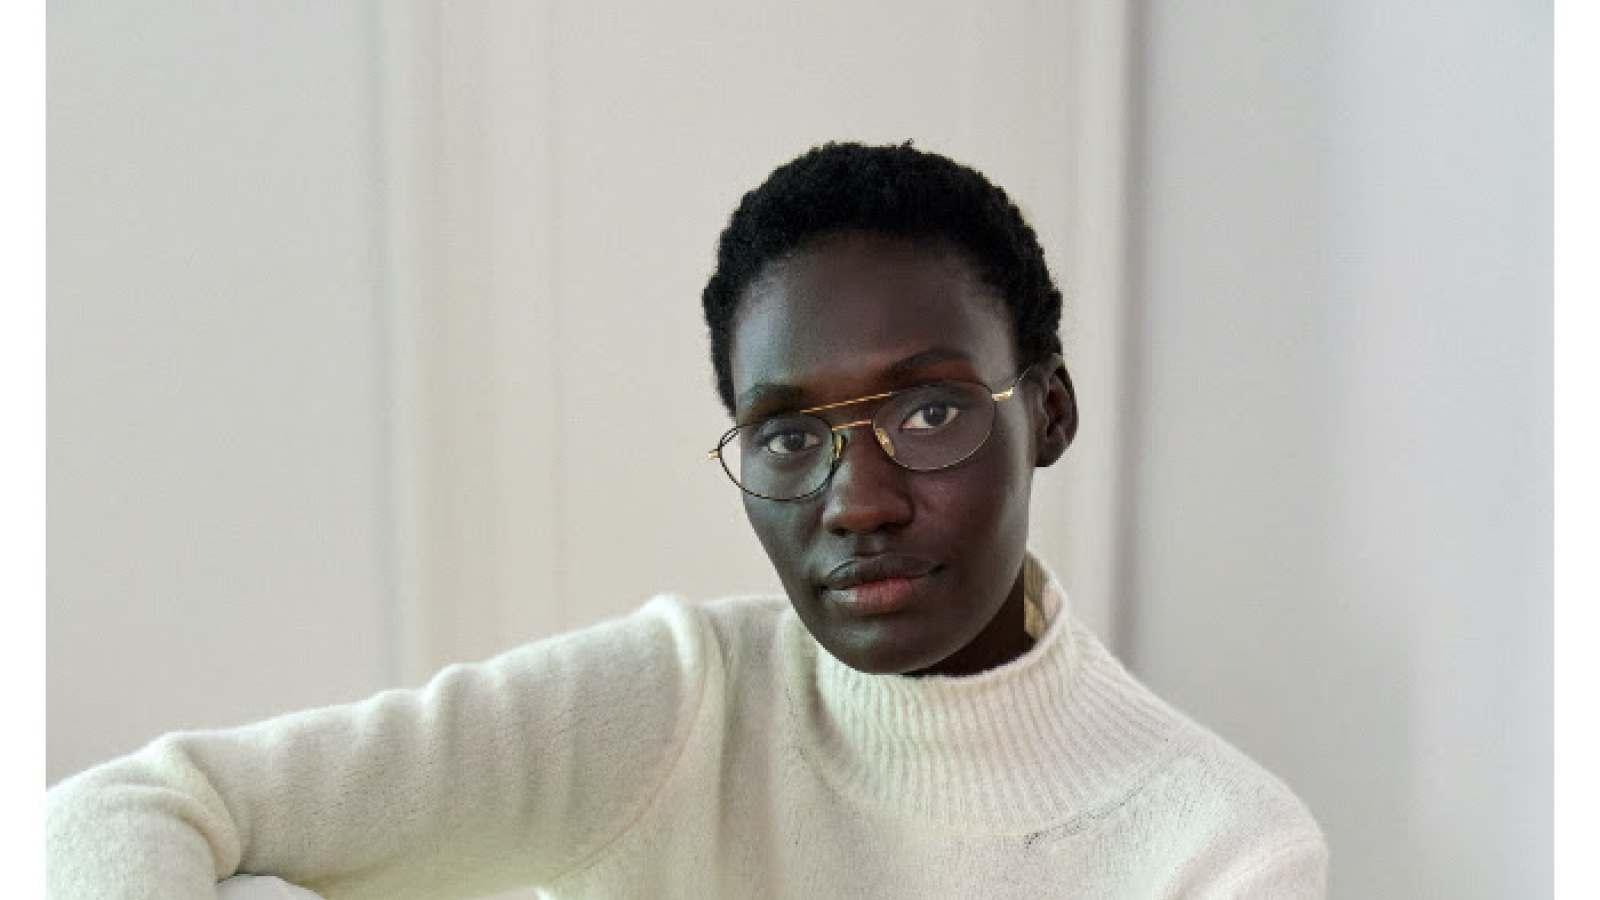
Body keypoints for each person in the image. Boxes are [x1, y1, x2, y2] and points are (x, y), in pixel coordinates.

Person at [46, 142, 1328, 899]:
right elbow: (125, 811)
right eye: (789, 437)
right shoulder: (682, 704)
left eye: (930, 412)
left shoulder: (1219, 851)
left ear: (1045, 411)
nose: (860, 500)